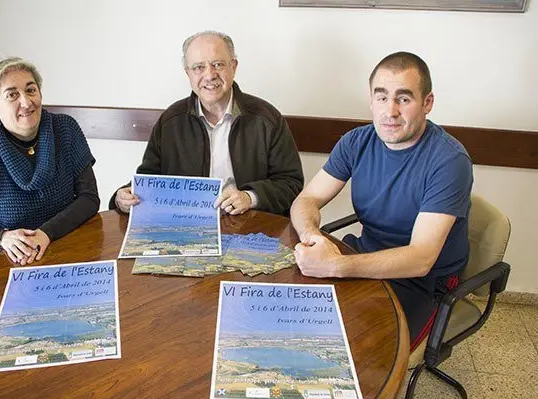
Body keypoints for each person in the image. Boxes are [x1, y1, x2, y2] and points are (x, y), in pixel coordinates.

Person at [290, 52, 473, 351]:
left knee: (362, 355)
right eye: (382, 96)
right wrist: (313, 239)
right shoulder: (356, 141)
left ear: (427, 103)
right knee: (299, 325)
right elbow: (307, 199)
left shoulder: (449, 161)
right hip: (365, 254)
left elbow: (420, 258)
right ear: (371, 99)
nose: (390, 111)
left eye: (404, 98)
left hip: (424, 281)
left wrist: (336, 265)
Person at [110, 30, 303, 216]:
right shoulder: (171, 122)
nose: (209, 75)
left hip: (250, 227)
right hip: (186, 228)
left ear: (233, 67)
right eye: (198, 67)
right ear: (188, 73)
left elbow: (290, 183)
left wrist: (249, 197)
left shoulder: (266, 119)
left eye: (218, 64)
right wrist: (122, 198)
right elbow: (149, 182)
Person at [0, 57, 100, 277]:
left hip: (62, 245)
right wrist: (1, 237)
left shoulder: (66, 130)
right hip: (1, 263)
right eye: (12, 94)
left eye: (31, 90)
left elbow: (89, 198)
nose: (26, 102)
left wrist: (46, 233)